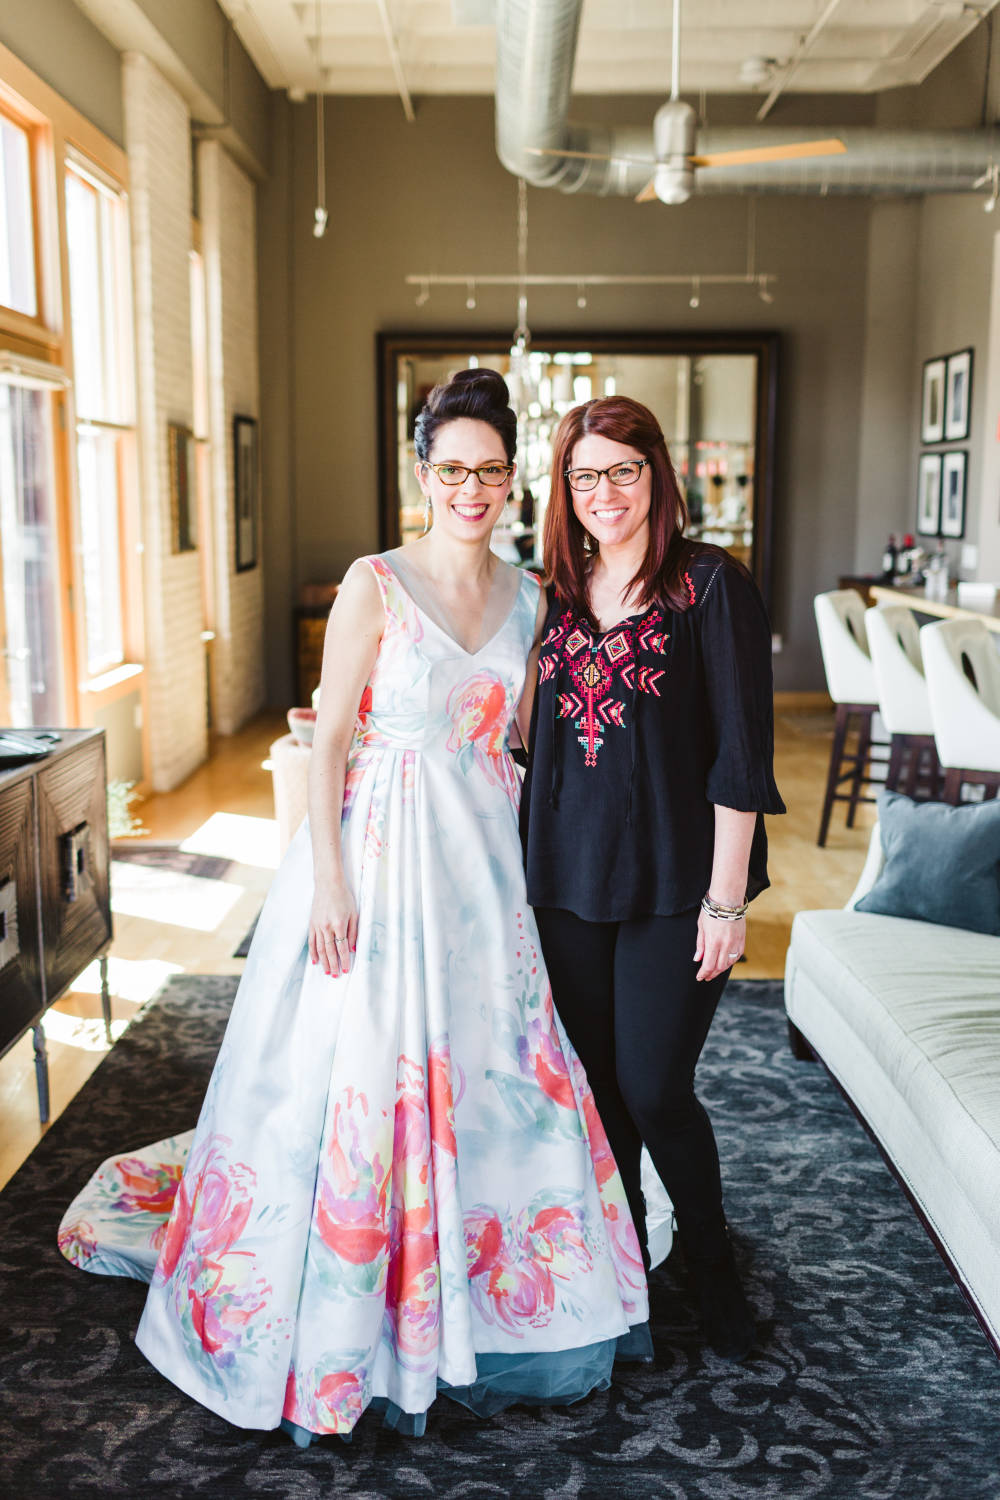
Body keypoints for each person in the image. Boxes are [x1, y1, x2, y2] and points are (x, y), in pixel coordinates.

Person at [57, 369, 649, 1444]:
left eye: (490, 471)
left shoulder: (528, 597)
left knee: (499, 1065)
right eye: (452, 469)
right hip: (378, 851)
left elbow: (526, 741)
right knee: (366, 1070)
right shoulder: (373, 582)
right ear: (424, 473)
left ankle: (499, 1296)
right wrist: (328, 881)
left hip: (484, 860)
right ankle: (354, 1312)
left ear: (512, 480)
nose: (471, 488)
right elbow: (329, 741)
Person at [519, 395, 785, 1361]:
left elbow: (742, 758)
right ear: (565, 489)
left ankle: (713, 1275)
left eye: (622, 471)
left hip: (680, 881)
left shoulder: (710, 586)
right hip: (567, 878)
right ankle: (627, 1266)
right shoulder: (552, 591)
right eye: (584, 476)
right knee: (600, 1091)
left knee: (657, 1085)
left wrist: (725, 901)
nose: (604, 494)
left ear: (657, 475)